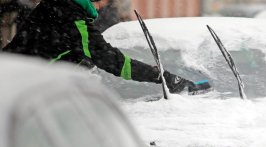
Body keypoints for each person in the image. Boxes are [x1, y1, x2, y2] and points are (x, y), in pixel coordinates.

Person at [2, 0, 202, 93]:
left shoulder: (54, 8)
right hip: (18, 91)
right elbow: (110, 60)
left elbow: (65, 55)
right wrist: (163, 77)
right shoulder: (71, 15)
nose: (104, 6)